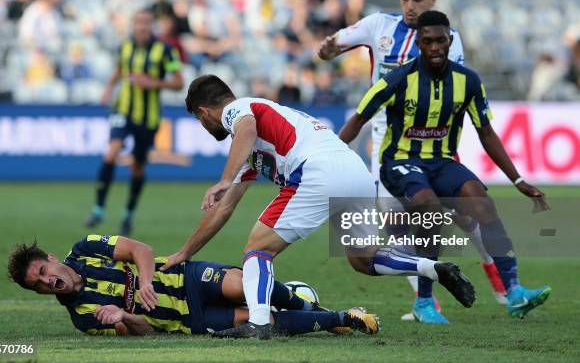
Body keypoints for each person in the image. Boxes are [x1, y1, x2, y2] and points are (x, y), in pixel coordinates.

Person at [157, 74, 476, 339]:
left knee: (258, 249)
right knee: (363, 259)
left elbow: (246, 128)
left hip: (317, 170)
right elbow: (223, 209)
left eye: (200, 120)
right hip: (354, 171)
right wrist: (185, 252)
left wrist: (224, 178)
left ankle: (257, 323)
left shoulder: (238, 110)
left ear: (203, 112)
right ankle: (433, 268)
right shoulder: (252, 148)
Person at [318, 0, 506, 323]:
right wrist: (327, 50)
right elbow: (331, 48)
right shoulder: (378, 26)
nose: (409, 6)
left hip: (432, 145)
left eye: (417, 0)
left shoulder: (449, 38)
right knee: (395, 225)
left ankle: (493, 270)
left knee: (462, 214)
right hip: (386, 144)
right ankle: (427, 300)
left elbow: (456, 90)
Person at [338, 10, 552, 321]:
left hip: (441, 161)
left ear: (450, 41)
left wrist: (518, 180)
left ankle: (515, 293)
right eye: (428, 41)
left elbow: (487, 133)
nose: (435, 47)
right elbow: (358, 119)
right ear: (419, 45)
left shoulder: (468, 81)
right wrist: (331, 156)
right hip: (400, 160)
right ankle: (424, 302)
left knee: (481, 200)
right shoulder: (396, 79)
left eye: (441, 40)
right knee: (429, 208)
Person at [7, 234, 379, 337]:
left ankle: (308, 306)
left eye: (42, 271)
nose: (47, 282)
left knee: (249, 284)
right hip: (191, 320)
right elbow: (142, 332)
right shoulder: (84, 317)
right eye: (38, 285)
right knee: (257, 320)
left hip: (186, 277)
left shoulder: (86, 249)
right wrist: (124, 315)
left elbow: (140, 249)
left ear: (52, 259)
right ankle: (342, 318)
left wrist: (147, 281)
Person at [84, 9, 183, 235]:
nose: (142, 27)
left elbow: (178, 82)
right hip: (123, 109)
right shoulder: (125, 46)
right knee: (112, 152)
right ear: (133, 25)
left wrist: (154, 83)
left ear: (152, 25)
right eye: (138, 22)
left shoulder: (165, 51)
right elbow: (120, 69)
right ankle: (98, 208)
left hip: (148, 118)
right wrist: (108, 88)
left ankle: (128, 213)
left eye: (146, 22)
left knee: (137, 166)